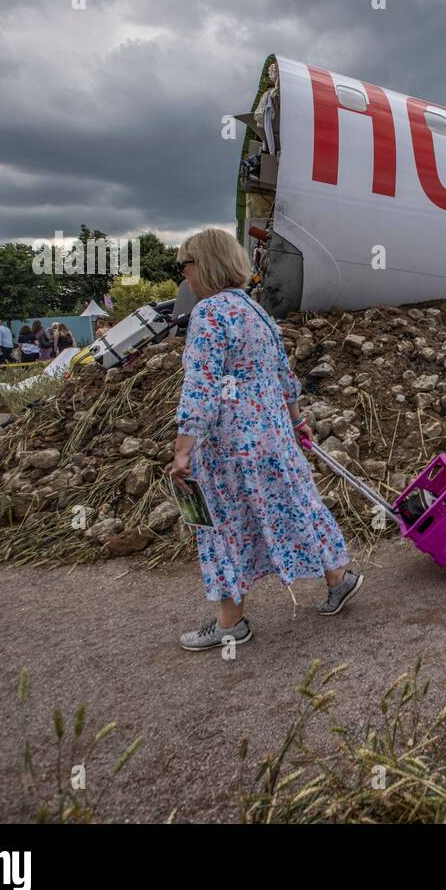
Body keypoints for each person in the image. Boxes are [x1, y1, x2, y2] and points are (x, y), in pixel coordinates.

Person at [169, 228, 363, 651]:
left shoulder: (209, 313)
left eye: (184, 265)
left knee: (222, 525)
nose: (183, 275)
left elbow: (201, 386)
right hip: (272, 437)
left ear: (204, 266)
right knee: (296, 503)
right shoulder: (255, 312)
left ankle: (230, 623)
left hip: (229, 444)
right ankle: (338, 577)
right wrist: (297, 421)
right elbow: (283, 375)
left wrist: (183, 449)